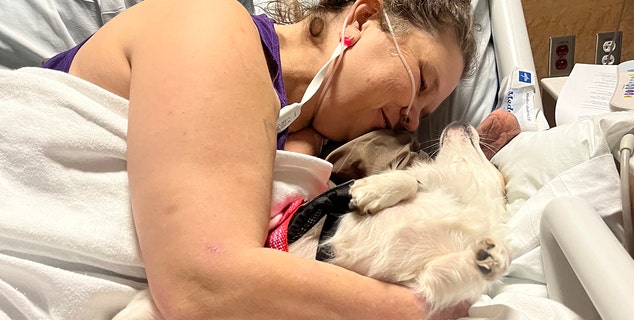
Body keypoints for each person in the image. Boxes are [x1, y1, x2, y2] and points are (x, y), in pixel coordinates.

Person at [39, 0, 477, 318]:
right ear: (362, 19)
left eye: (425, 114)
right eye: (421, 82)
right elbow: (204, 283)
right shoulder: (207, 23)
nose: (410, 119)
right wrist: (422, 306)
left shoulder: (305, 145)